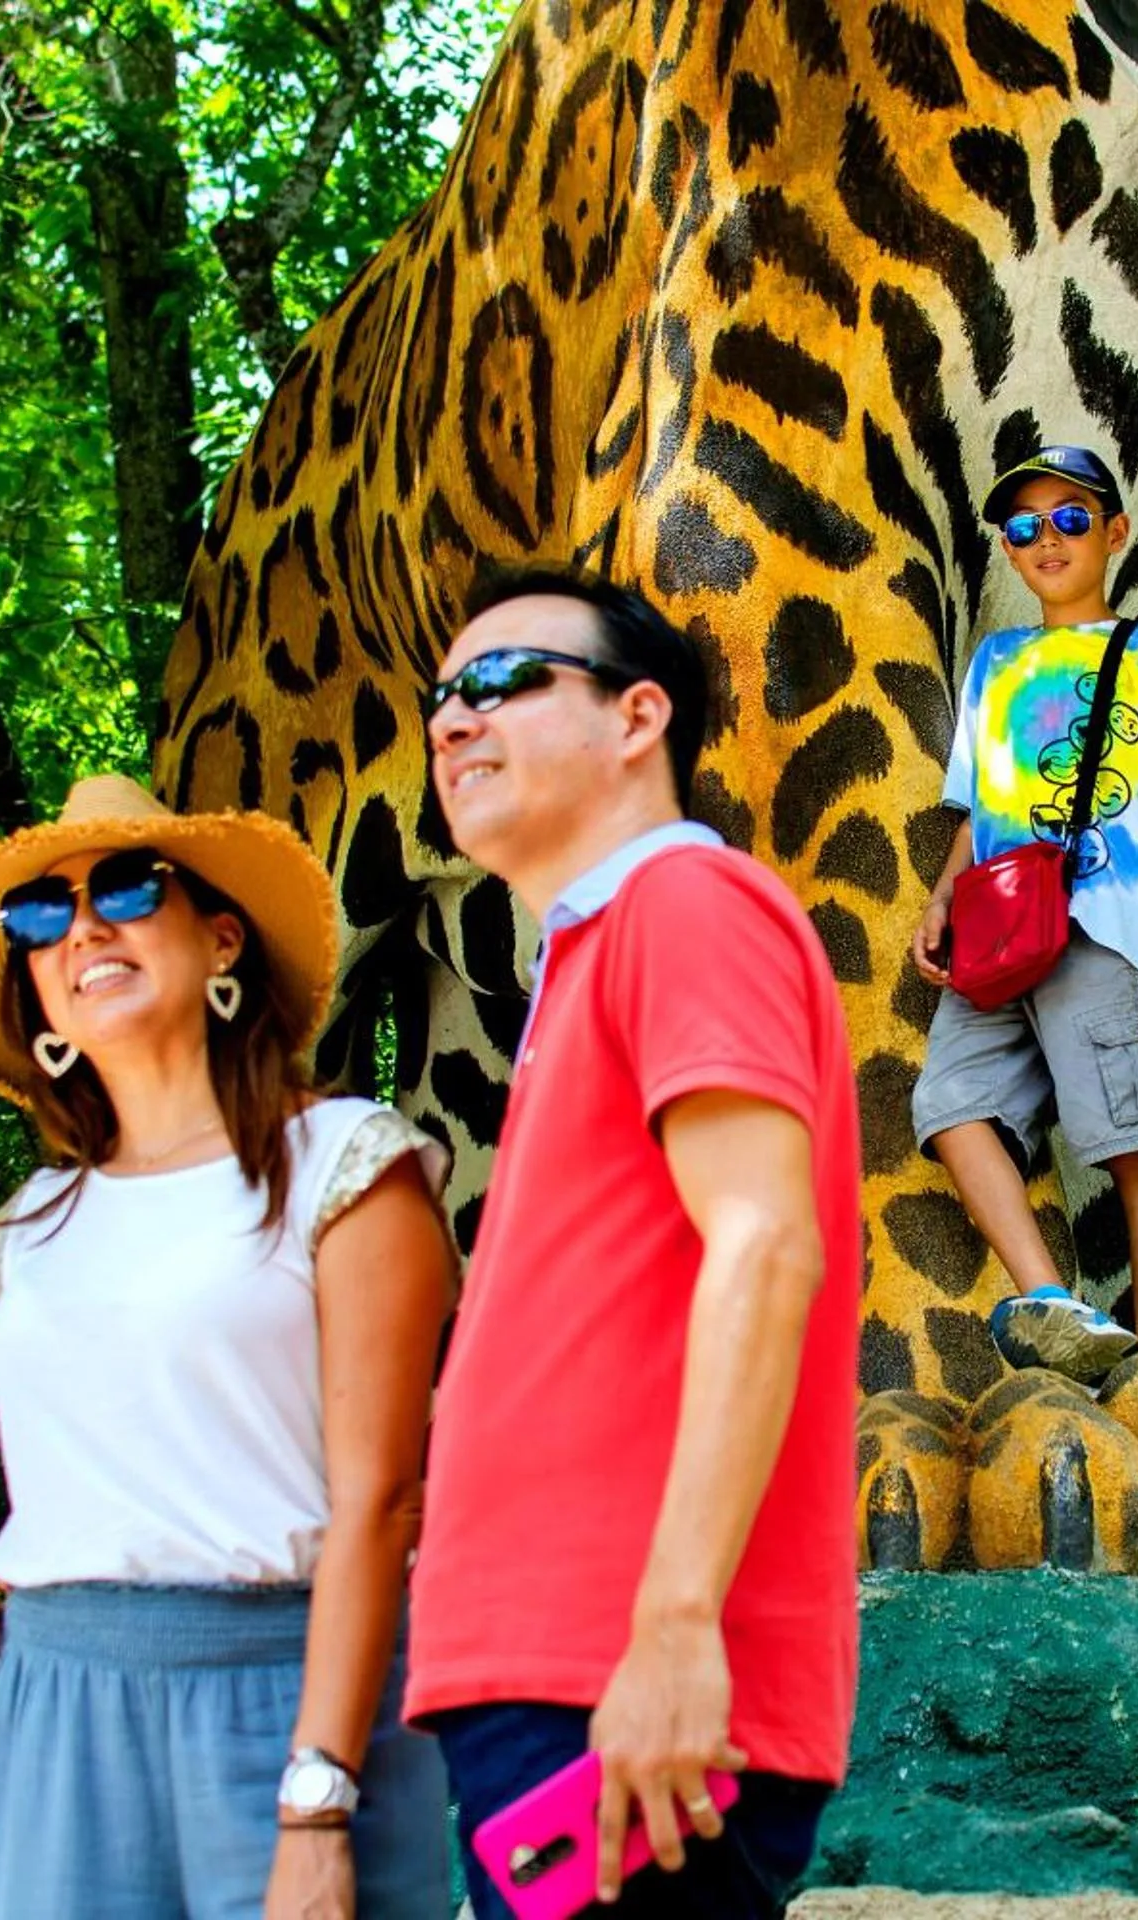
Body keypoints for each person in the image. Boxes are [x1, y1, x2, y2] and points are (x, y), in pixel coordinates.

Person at [0, 773, 454, 1920]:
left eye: (122, 885)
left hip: (283, 1695)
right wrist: (24, 1594)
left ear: (221, 941)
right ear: (42, 1010)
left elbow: (381, 1502)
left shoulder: (347, 1162)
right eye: (41, 917)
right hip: (48, 1710)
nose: (84, 927)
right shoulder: (30, 1225)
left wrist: (317, 1799)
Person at [402, 572, 863, 1920]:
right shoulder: (598, 949)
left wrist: (672, 1631)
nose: (453, 722)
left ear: (636, 716)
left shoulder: (681, 905)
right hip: (558, 1686)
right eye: (441, 698)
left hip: (621, 1686)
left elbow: (766, 1246)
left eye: (500, 683)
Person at [908, 445, 1138, 1383]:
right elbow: (978, 803)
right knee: (949, 1106)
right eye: (1026, 525)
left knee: (1126, 1140)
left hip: (1100, 923)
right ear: (1008, 548)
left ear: (1114, 533)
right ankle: (1052, 1303)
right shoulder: (996, 661)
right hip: (998, 925)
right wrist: (939, 898)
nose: (1049, 538)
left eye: (1072, 519)